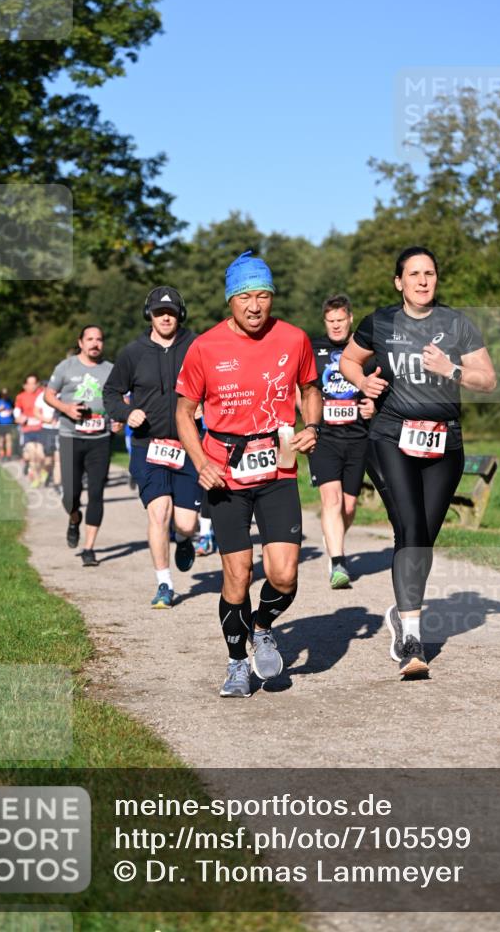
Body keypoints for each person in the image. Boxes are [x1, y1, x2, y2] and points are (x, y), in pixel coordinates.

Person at [340, 246, 497, 678]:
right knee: (409, 526)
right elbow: (349, 360)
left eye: (430, 273)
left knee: (423, 537)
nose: (423, 280)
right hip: (392, 436)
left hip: (444, 444)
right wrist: (363, 382)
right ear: (399, 282)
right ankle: (412, 635)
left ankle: (403, 610)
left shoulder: (456, 323)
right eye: (414, 274)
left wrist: (453, 370)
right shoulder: (380, 322)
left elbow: (488, 379)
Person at [175, 250, 322, 698]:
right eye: (245, 296)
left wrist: (311, 425)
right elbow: (183, 411)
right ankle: (237, 662)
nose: (255, 305)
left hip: (277, 467)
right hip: (224, 473)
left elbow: (310, 388)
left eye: (263, 295)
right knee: (237, 575)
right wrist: (200, 461)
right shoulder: (204, 347)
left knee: (284, 575)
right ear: (230, 300)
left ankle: (262, 626)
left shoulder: (295, 339)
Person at [103, 287, 201, 606]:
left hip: (189, 447)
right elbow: (111, 394)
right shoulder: (133, 353)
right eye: (159, 313)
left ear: (180, 315)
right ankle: (164, 583)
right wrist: (127, 412)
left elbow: (219, 384)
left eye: (171, 313)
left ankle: (184, 539)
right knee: (159, 513)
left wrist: (207, 405)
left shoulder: (197, 346)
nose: (165, 318)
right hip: (149, 447)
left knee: (185, 522)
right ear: (150, 315)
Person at [307, 294, 374, 589]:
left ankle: (333, 536)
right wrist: (306, 414)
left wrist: (374, 406)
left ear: (350, 319)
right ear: (325, 322)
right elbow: (302, 387)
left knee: (348, 506)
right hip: (325, 438)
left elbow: (379, 388)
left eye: (340, 320)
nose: (335, 326)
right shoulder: (313, 349)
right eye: (330, 321)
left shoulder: (365, 351)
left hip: (358, 437)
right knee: (331, 500)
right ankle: (338, 563)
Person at [44, 326, 121, 567]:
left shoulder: (111, 370)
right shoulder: (65, 367)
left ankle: (89, 548)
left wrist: (119, 417)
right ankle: (74, 519)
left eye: (99, 339)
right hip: (70, 436)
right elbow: (48, 394)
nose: (95, 343)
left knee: (97, 493)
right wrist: (66, 409)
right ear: (80, 342)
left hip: (100, 438)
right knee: (70, 496)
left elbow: (120, 398)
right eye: (90, 339)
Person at [14, 375, 44, 485]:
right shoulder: (21, 396)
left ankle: (38, 471)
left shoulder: (42, 394)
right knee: (32, 454)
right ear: (25, 385)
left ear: (38, 384)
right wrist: (18, 417)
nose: (32, 386)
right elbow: (17, 410)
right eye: (29, 383)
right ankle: (35, 477)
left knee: (40, 455)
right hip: (27, 429)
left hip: (41, 428)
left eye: (34, 383)